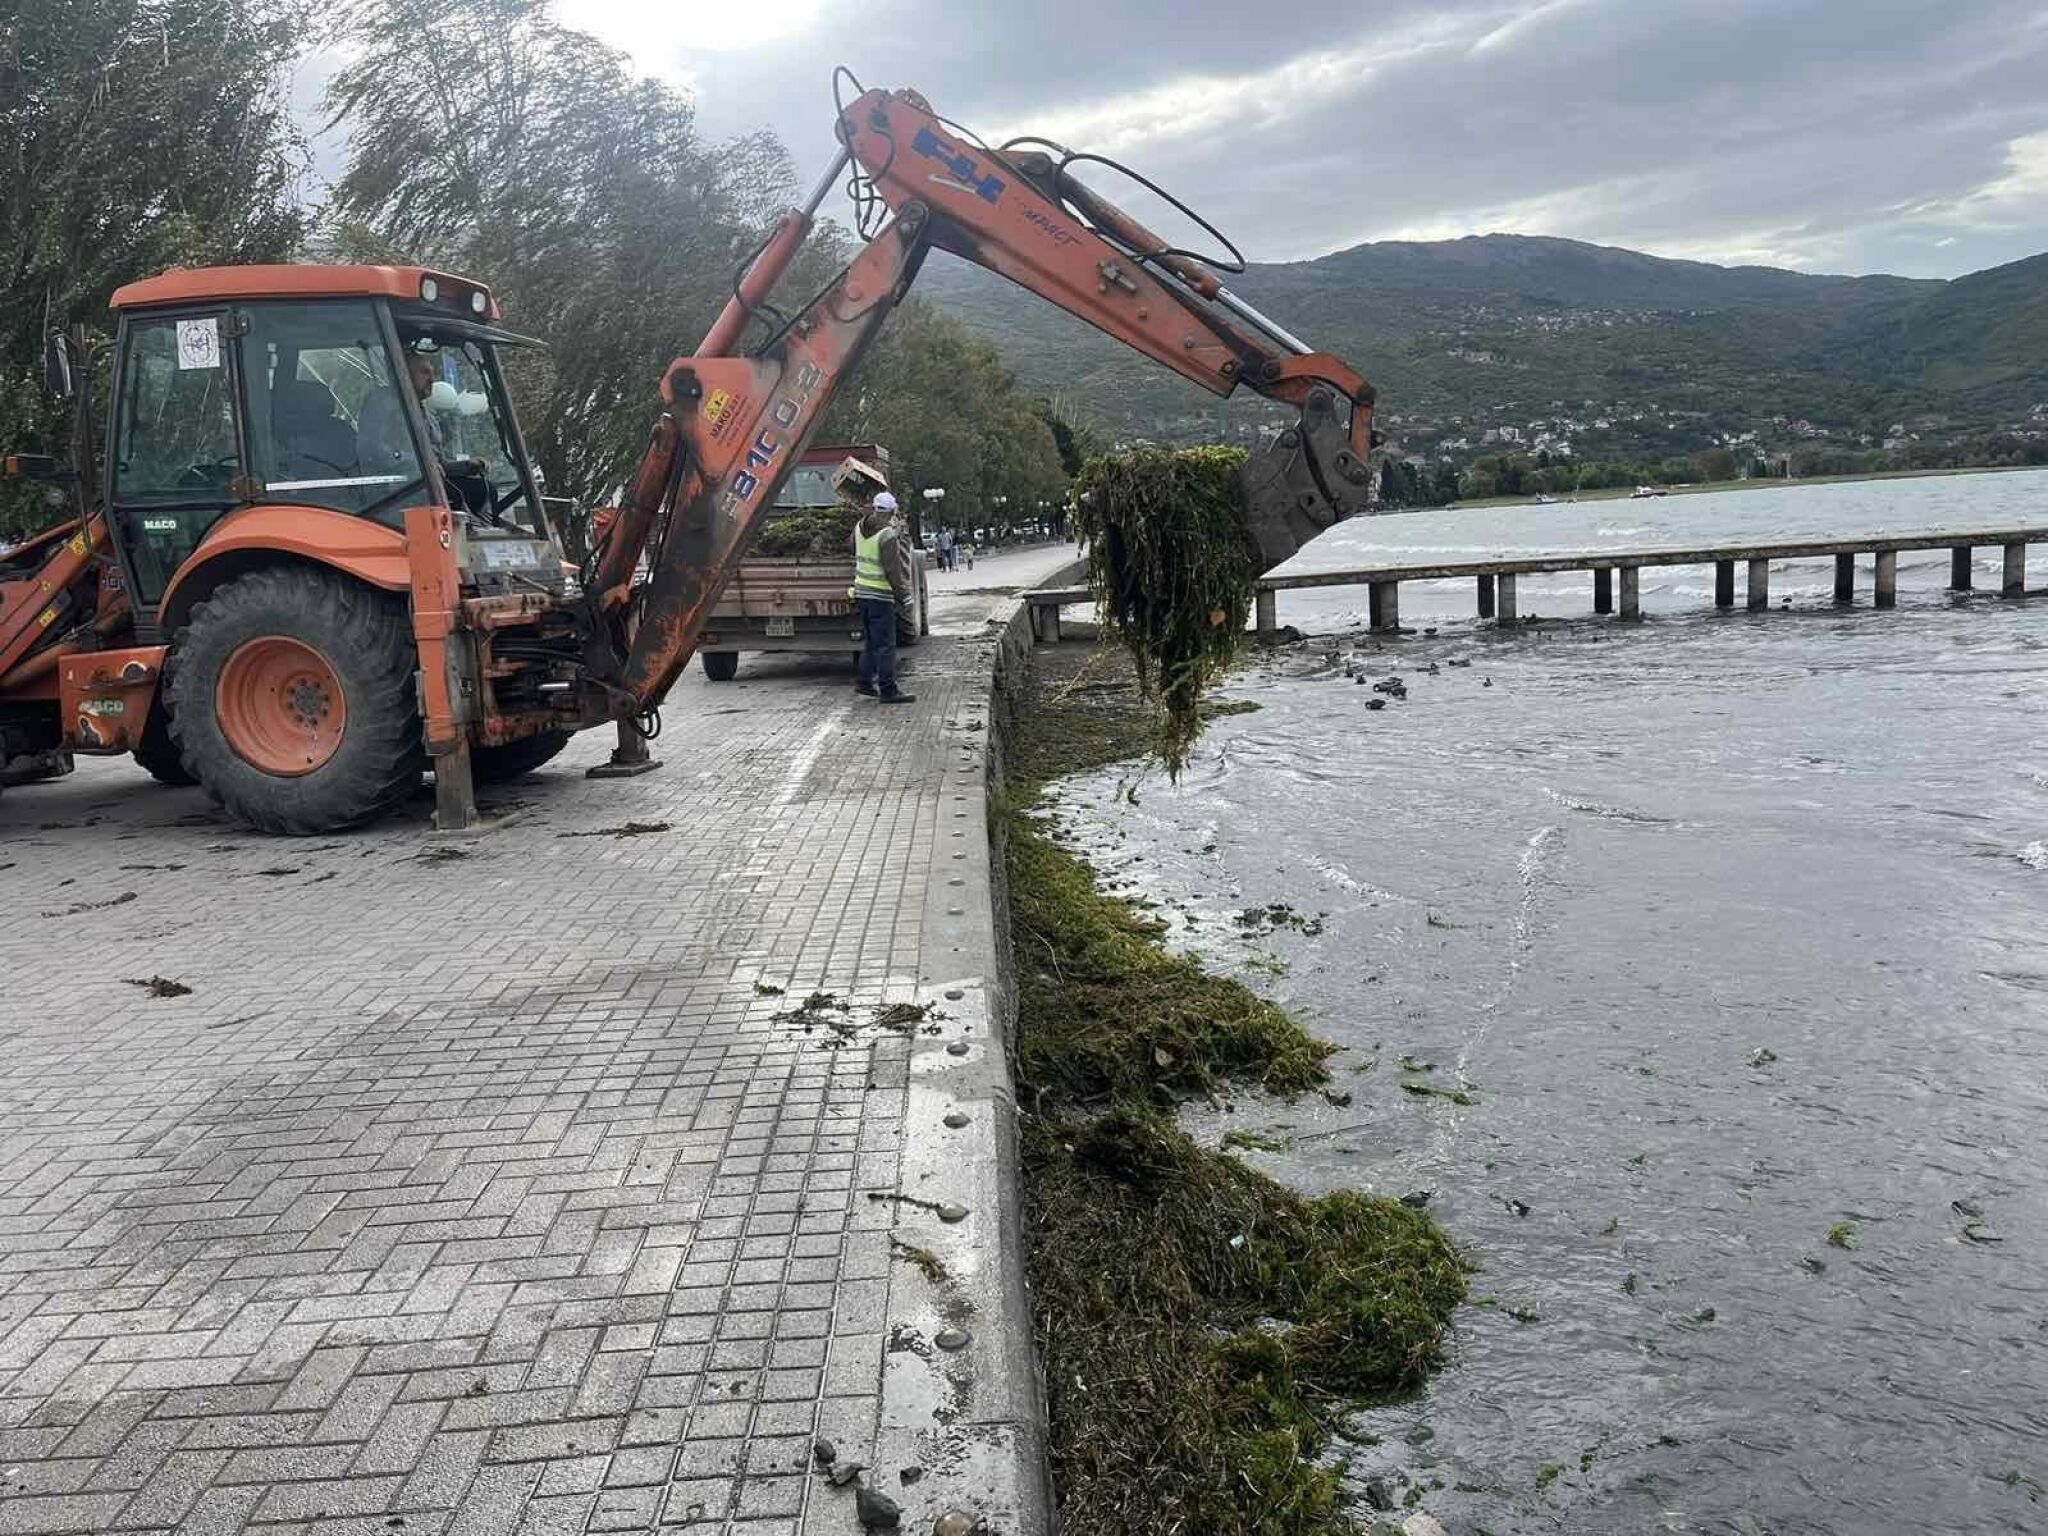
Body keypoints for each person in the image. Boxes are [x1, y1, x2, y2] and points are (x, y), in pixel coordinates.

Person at [852, 489, 914, 703]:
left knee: (871, 642)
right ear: (892, 511)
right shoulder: (887, 534)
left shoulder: (859, 527)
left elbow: (850, 545)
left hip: (861, 593)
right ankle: (889, 690)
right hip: (880, 596)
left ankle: (864, 683)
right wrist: (903, 596)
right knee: (886, 645)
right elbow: (893, 571)